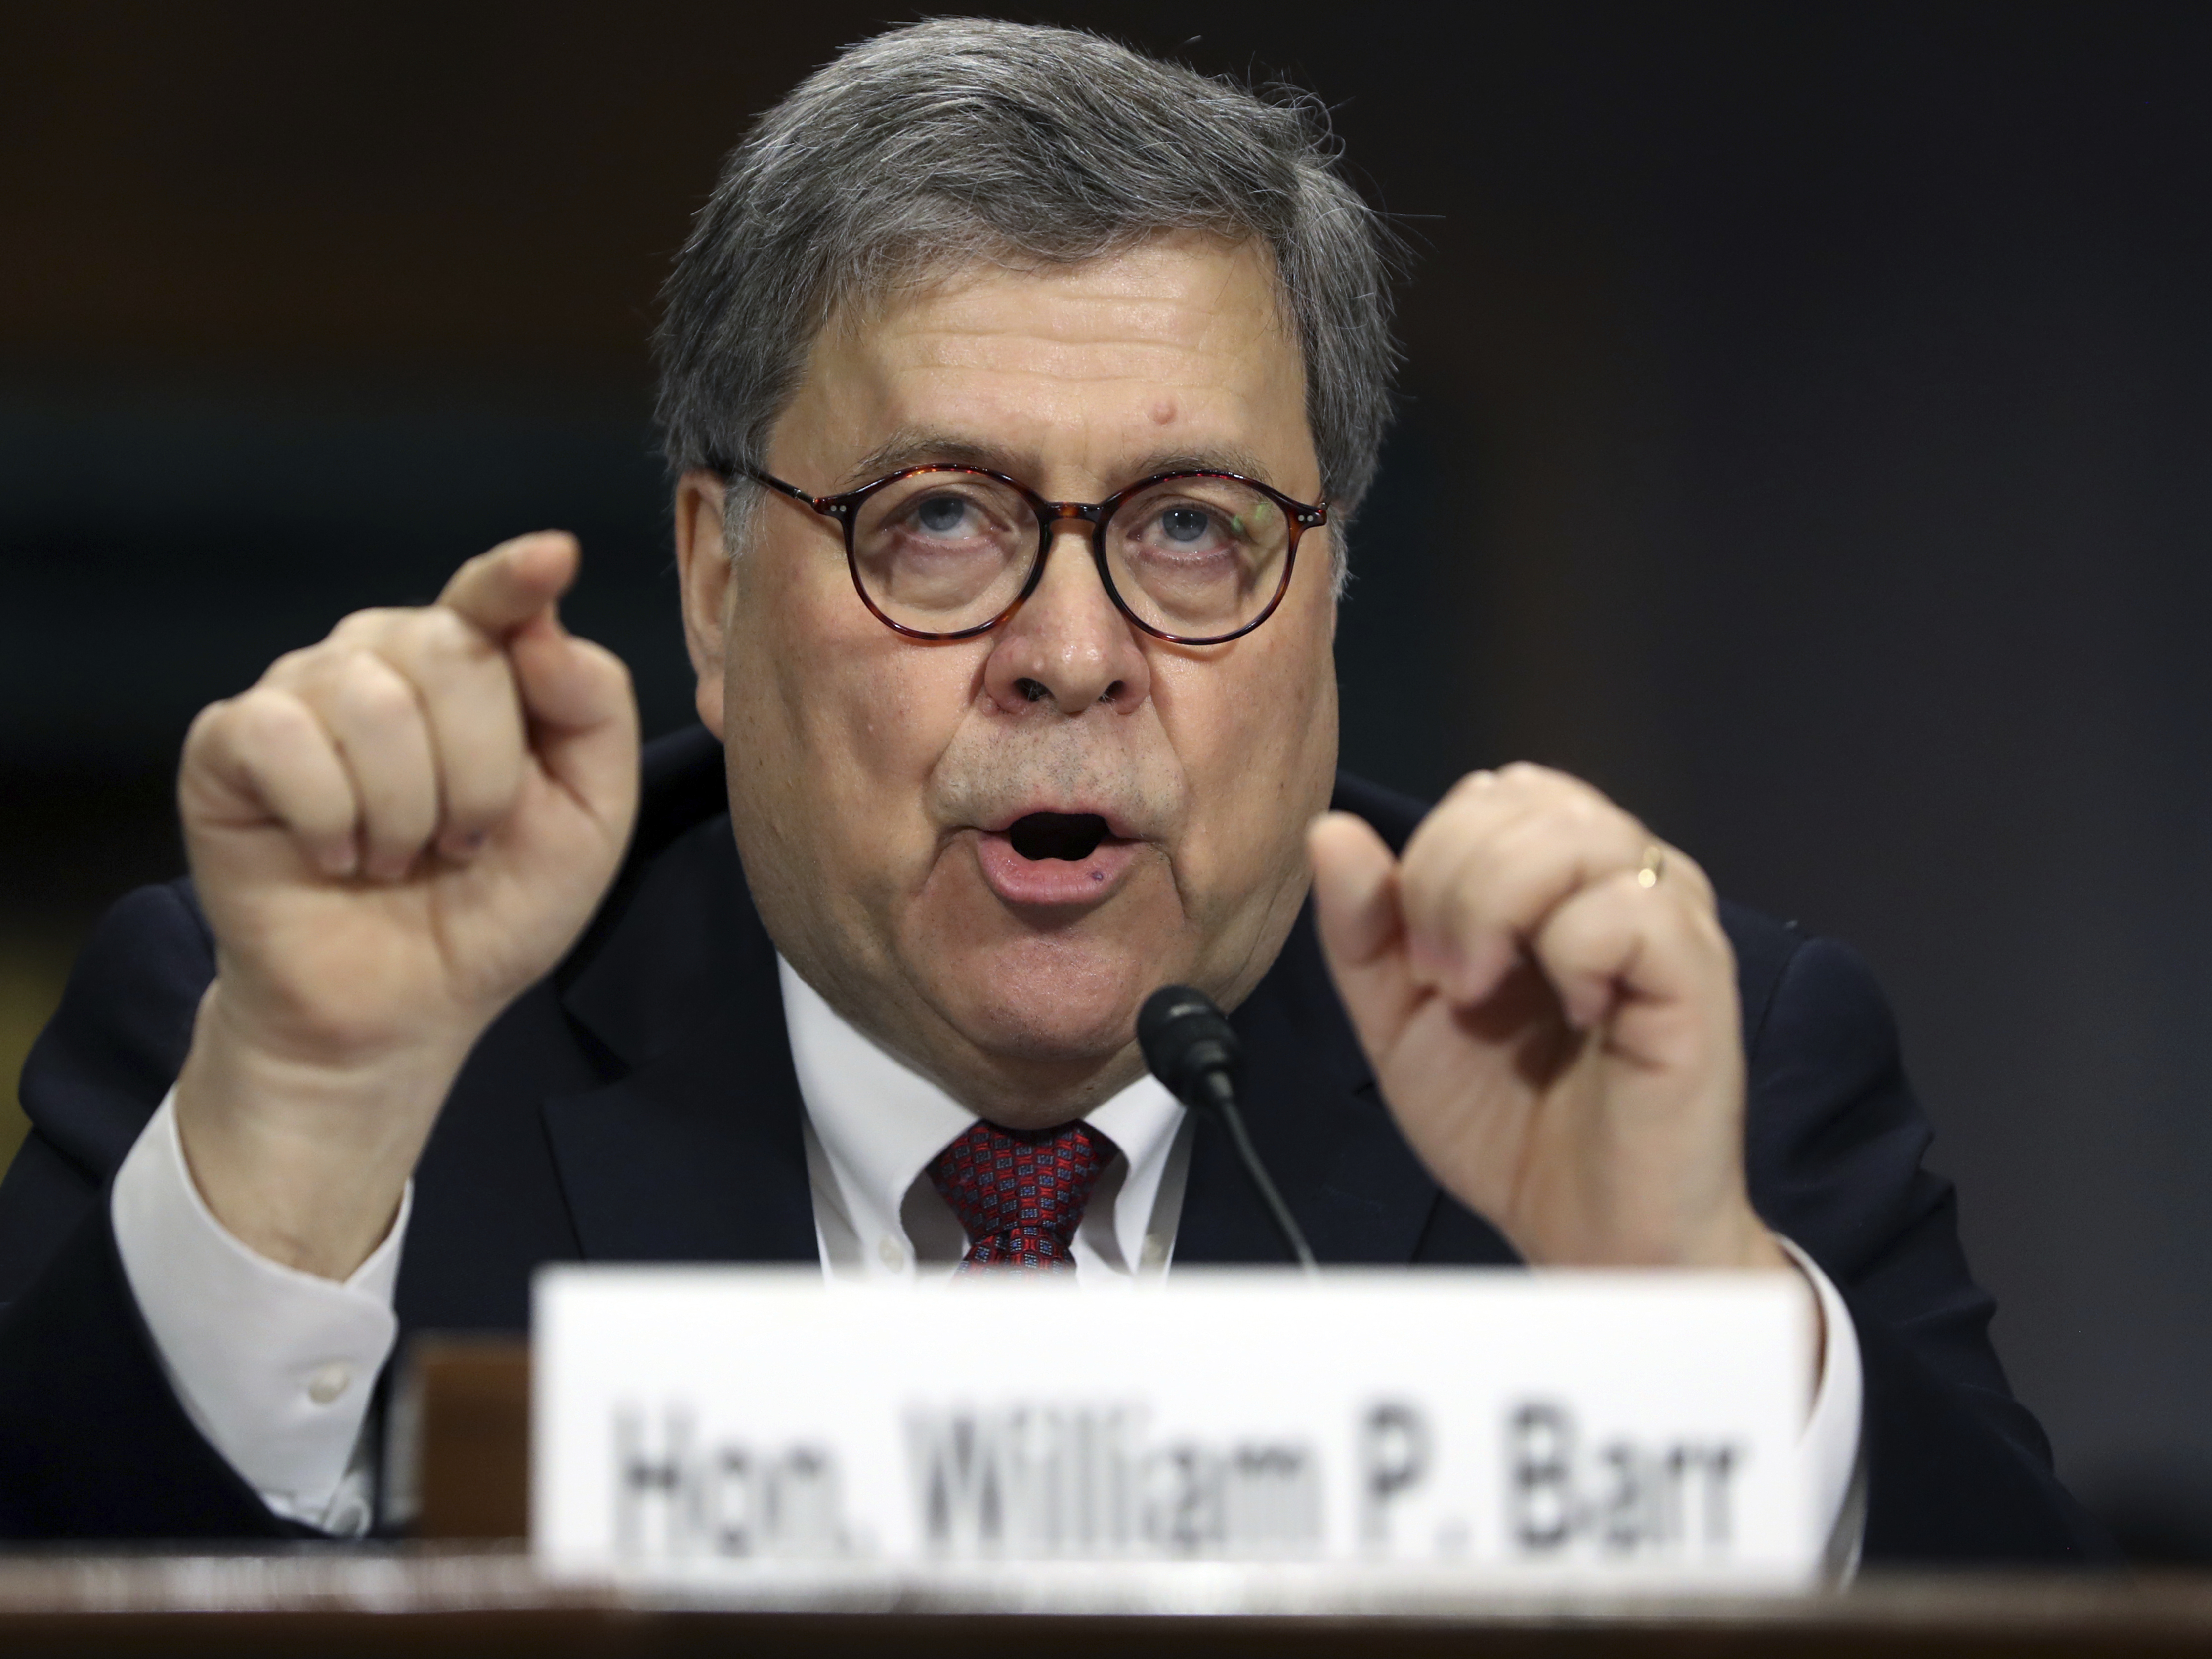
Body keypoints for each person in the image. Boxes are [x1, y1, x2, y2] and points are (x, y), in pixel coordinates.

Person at [0, 19, 2103, 1561]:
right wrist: (297, 1132)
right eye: (938, 521)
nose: (1078, 651)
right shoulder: (326, 1043)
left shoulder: (1657, 1059)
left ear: (1331, 585)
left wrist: (1691, 1335)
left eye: (1194, 529)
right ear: (718, 590)